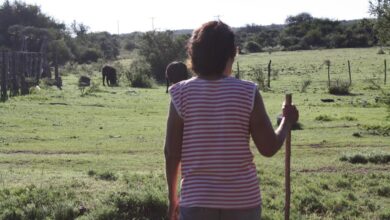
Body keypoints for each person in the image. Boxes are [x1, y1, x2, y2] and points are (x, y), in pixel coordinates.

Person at [164, 21, 299, 220]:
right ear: (232, 54)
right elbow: (268, 148)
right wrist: (286, 122)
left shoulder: (180, 93)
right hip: (243, 203)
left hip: (196, 202)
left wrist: (173, 199)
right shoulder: (248, 92)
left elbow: (171, 153)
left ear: (194, 55)